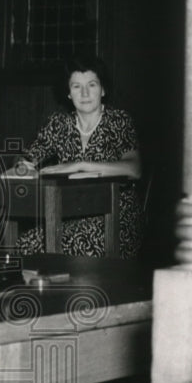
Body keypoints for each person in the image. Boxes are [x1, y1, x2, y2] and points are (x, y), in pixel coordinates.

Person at [12, 56, 143, 257]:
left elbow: (134, 169)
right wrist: (25, 168)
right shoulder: (58, 124)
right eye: (76, 86)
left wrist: (79, 165)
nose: (84, 93)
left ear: (103, 89)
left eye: (91, 85)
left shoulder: (118, 120)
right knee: (24, 245)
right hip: (69, 215)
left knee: (70, 248)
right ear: (68, 93)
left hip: (115, 217)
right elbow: (25, 160)